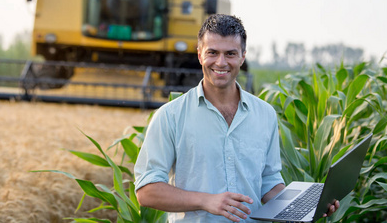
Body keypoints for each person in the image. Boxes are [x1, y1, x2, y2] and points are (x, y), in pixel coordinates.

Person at [134, 14, 339, 222]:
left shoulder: (265, 114)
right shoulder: (170, 116)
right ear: (199, 55)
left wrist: (309, 205)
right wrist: (206, 200)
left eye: (230, 54)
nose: (221, 63)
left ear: (243, 56)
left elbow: (269, 184)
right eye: (212, 52)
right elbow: (146, 190)